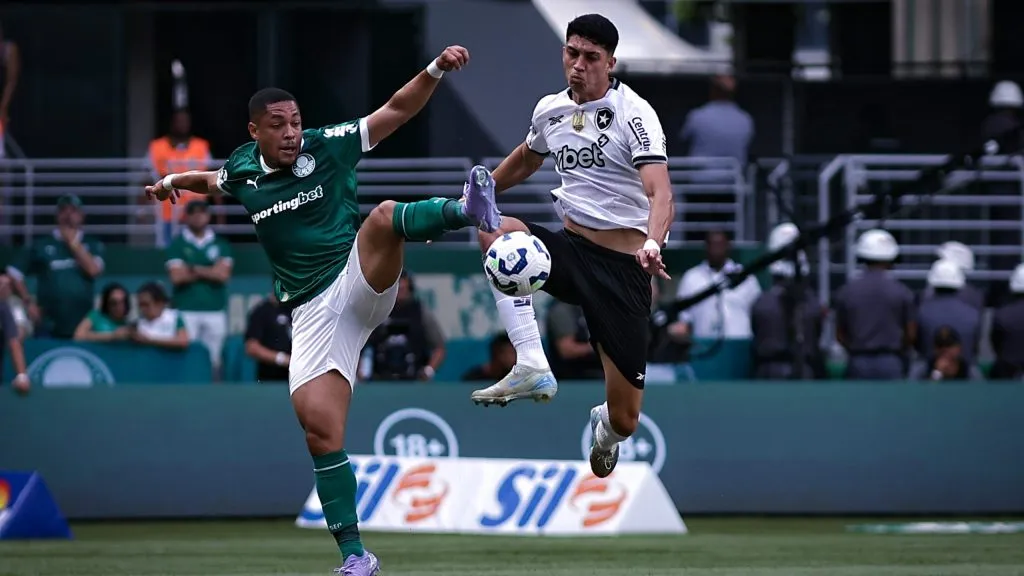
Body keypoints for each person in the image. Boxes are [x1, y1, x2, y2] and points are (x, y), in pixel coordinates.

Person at [144, 45, 494, 576]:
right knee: (319, 431)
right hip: (312, 315)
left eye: (296, 122)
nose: (291, 132)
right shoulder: (243, 168)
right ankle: (356, 556)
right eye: (278, 125)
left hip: (357, 277)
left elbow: (395, 110)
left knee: (380, 218)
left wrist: (436, 69)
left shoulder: (326, 147)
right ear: (254, 131)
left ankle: (464, 210)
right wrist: (171, 183)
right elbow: (211, 180)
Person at [466, 14, 674, 480]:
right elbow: (527, 157)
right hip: (570, 248)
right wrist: (479, 194)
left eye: (591, 57)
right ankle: (531, 362)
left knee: (626, 418)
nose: (578, 65)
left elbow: (661, 193)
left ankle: (605, 427)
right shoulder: (550, 109)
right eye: (571, 53)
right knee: (491, 227)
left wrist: (653, 242)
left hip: (624, 268)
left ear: (611, 62)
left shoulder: (634, 114)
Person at [6, 194, 105, 339]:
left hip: (83, 325)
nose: (68, 215)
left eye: (73, 210)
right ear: (57, 215)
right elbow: (13, 273)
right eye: (63, 210)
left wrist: (72, 243)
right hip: (48, 324)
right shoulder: (42, 245)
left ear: (81, 215)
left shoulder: (93, 244)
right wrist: (28, 302)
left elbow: (93, 270)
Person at [166, 199, 233, 377]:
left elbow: (223, 275)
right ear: (186, 217)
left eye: (202, 212)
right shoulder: (178, 244)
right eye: (193, 212)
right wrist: (210, 269)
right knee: (188, 356)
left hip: (215, 309)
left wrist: (194, 268)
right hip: (186, 309)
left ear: (208, 215)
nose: (198, 216)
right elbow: (177, 277)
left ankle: (214, 395)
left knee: (215, 359)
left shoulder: (220, 244)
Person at [244, 291, 292, 384]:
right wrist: (281, 359)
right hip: (271, 378)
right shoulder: (262, 311)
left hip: (298, 376)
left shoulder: (296, 309)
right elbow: (251, 347)